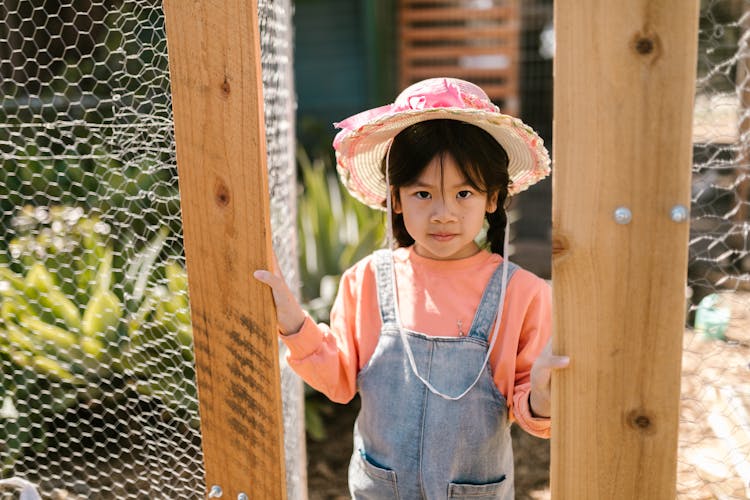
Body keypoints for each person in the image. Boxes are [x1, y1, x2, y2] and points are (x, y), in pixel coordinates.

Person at [254, 77, 569, 499]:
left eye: (464, 193)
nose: (443, 213)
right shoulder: (366, 281)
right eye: (423, 193)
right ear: (396, 200)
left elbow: (530, 409)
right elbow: (339, 380)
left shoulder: (523, 294)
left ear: (493, 198)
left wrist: (543, 398)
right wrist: (293, 322)